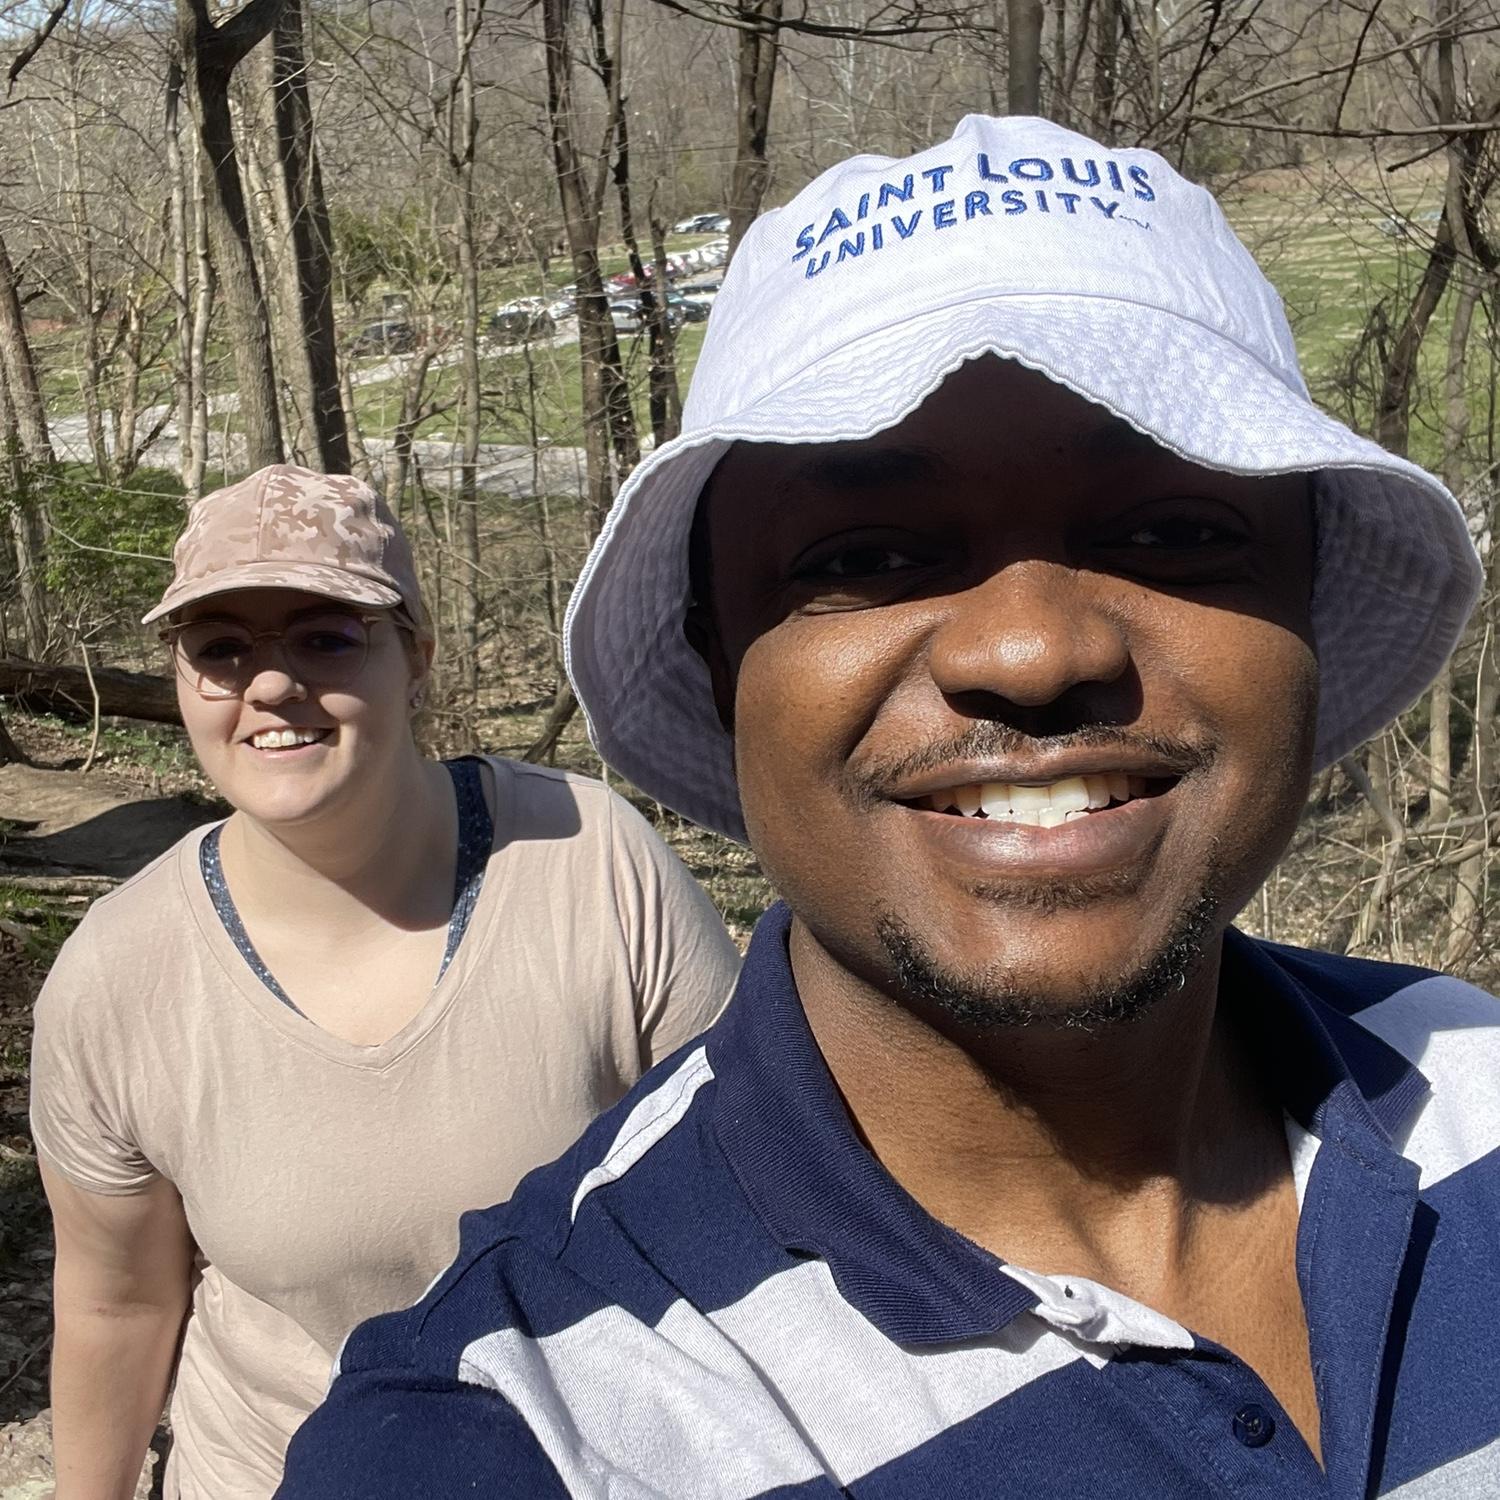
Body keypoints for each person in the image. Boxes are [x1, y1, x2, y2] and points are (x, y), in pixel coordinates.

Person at [278, 116, 1496, 1498]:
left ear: (1302, 616)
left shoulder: (1478, 1084)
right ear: (721, 662)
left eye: (1170, 531)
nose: (1033, 652)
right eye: (865, 554)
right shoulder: (523, 1424)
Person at [28, 464, 741, 1499]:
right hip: (272, 1473)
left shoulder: (590, 861)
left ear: (416, 657)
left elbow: (741, 1180)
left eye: (325, 635)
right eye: (220, 650)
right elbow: (117, 1306)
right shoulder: (116, 977)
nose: (269, 685)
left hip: (594, 1461)